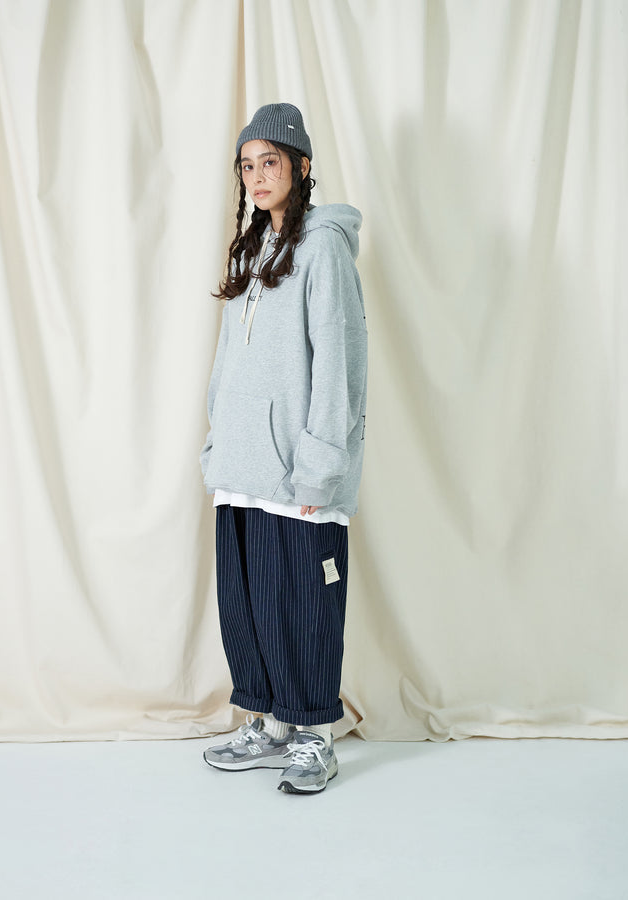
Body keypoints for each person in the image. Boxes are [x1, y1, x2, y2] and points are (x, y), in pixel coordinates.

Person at [199, 102, 367, 794]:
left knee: (303, 607)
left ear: (300, 166)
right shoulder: (251, 251)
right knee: (247, 606)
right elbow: (227, 364)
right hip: (241, 468)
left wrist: (320, 466)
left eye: (270, 161)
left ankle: (313, 738)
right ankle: (266, 723)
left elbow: (339, 363)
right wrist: (217, 443)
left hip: (300, 472)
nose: (257, 176)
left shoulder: (323, 248)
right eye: (247, 166)